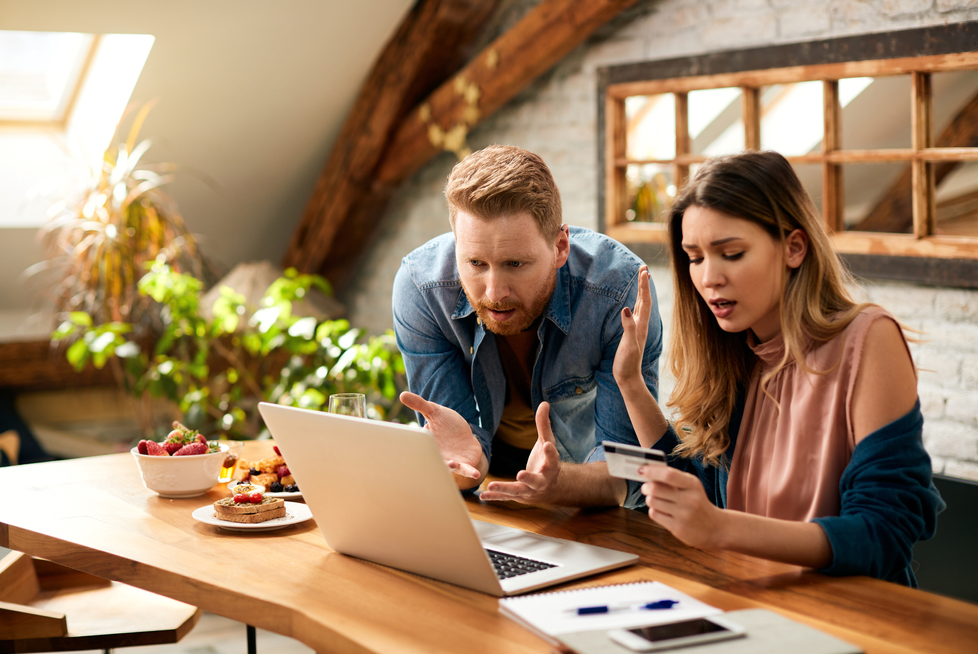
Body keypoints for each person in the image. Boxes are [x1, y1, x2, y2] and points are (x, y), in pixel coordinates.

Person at [613, 150, 943, 586]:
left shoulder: (869, 339)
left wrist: (723, 528)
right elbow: (703, 498)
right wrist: (631, 383)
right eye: (694, 258)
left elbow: (884, 535)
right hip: (749, 600)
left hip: (854, 619)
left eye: (730, 253)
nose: (709, 277)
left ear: (794, 247)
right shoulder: (737, 352)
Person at [392, 144, 663, 506]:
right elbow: (457, 456)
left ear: (560, 246)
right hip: (490, 491)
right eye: (475, 263)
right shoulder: (421, 288)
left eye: (515, 264)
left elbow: (627, 470)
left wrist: (558, 484)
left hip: (583, 488)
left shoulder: (619, 293)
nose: (494, 292)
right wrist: (460, 469)